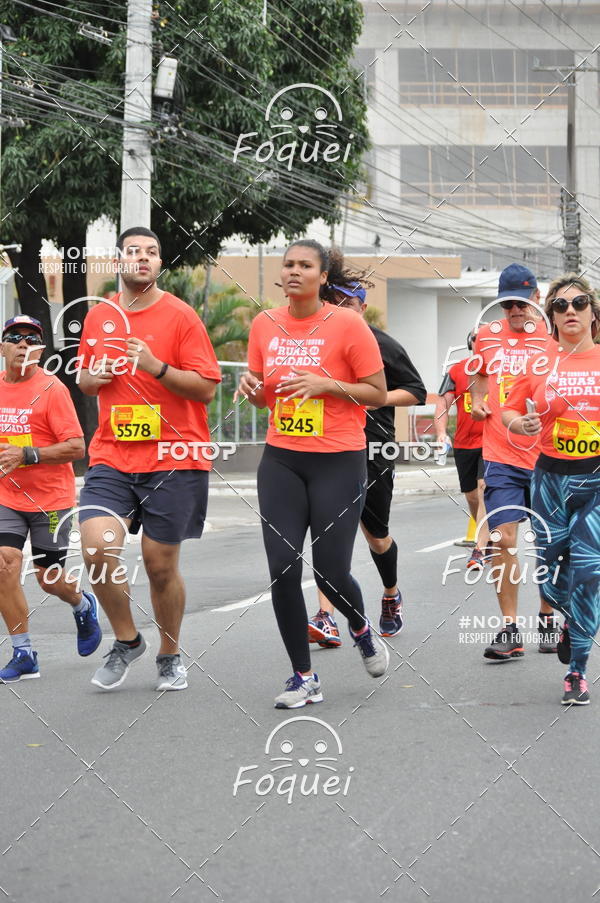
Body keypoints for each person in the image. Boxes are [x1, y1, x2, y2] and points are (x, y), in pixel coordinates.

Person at [239, 240, 390, 708]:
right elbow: (265, 394)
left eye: (306, 265)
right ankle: (303, 676)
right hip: (282, 458)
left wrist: (327, 384)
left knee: (330, 571)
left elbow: (378, 393)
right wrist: (251, 388)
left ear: (323, 277)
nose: (295, 271)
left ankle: (362, 628)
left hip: (339, 459)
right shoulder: (264, 324)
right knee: (283, 569)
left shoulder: (347, 324)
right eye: (289, 265)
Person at [77, 227, 221, 692]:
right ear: (118, 261)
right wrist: (91, 378)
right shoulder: (100, 316)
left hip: (173, 455)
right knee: (97, 548)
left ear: (160, 264)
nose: (143, 258)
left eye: (152, 252)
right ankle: (127, 639)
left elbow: (207, 386)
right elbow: (83, 377)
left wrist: (156, 366)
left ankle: (170, 653)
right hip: (112, 454)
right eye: (133, 251)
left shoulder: (180, 316)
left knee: (159, 565)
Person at [307, 281, 426, 647]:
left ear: (362, 306)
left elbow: (416, 391)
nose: (341, 307)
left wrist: (378, 397)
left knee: (375, 534)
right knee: (325, 533)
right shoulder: (317, 341)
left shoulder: (381, 344)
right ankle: (325, 616)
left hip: (373, 448)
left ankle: (390, 594)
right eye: (333, 301)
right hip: (325, 444)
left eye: (348, 302)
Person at [502, 274, 600, 704]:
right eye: (561, 306)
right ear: (552, 317)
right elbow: (507, 408)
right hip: (549, 480)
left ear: (593, 313)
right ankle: (562, 615)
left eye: (579, 303)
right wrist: (516, 423)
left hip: (596, 479)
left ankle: (577, 672)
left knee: (588, 573)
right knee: (549, 571)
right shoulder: (540, 361)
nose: (571, 311)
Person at [0, 315, 100, 682]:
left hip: (51, 502)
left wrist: (27, 455)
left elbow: (77, 447)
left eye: (32, 339)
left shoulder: (52, 389)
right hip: (7, 496)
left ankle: (82, 603)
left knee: (48, 577)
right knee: (4, 563)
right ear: (3, 347)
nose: (23, 344)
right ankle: (23, 652)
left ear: (40, 350)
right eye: (15, 337)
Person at [470, 263, 557, 659]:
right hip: (500, 453)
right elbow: (480, 374)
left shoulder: (554, 337)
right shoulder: (486, 336)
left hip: (549, 457)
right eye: (508, 305)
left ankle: (547, 615)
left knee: (549, 544)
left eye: (521, 303)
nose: (515, 312)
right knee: (502, 539)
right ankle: (509, 628)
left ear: (536, 299)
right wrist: (475, 401)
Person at [435, 330, 489, 570]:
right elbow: (443, 403)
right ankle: (485, 530)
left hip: (492, 442)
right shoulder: (457, 370)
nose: (484, 341)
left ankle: (480, 549)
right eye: (479, 337)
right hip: (464, 443)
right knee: (471, 496)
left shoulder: (501, 369)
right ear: (471, 343)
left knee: (483, 488)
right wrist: (440, 433)